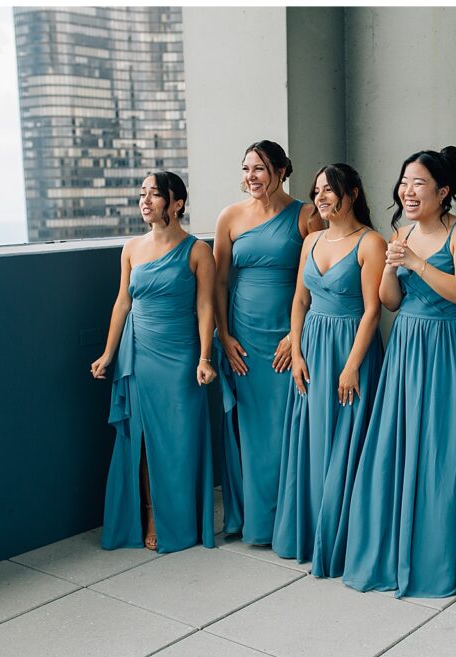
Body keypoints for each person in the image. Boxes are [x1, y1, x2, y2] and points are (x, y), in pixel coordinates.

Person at [342, 146, 456, 601]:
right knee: (398, 447)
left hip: (448, 349)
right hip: (407, 345)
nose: (407, 190)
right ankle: (395, 550)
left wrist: (416, 264)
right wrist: (391, 263)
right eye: (405, 182)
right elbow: (389, 300)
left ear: (443, 191)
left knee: (441, 450)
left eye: (418, 183)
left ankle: (440, 557)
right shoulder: (401, 231)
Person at [91, 171, 217, 553]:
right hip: (140, 354)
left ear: (177, 202)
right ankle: (150, 517)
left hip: (181, 357)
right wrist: (108, 353)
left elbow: (206, 306)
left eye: (155, 194)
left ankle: (182, 519)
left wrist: (205, 357)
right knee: (145, 444)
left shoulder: (198, 251)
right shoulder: (131, 248)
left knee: (180, 441)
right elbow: (122, 303)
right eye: (142, 193)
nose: (145, 200)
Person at [272, 163, 386, 576]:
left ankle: (343, 539)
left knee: (346, 441)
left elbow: (373, 310)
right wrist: (297, 351)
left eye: (329, 190)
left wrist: (353, 365)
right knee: (311, 438)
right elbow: (299, 301)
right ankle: (310, 531)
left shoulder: (370, 242)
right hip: (313, 348)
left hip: (350, 348)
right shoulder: (312, 240)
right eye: (316, 190)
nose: (320, 197)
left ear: (352, 193)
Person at [212, 140, 322, 544]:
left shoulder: (306, 215)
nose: (250, 177)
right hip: (243, 338)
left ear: (280, 170)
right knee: (253, 431)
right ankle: (255, 522)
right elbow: (221, 281)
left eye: (258, 168)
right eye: (245, 169)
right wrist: (223, 335)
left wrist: (296, 336)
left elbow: (318, 279)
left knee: (287, 430)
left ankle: (289, 523)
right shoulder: (229, 217)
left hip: (288, 334)